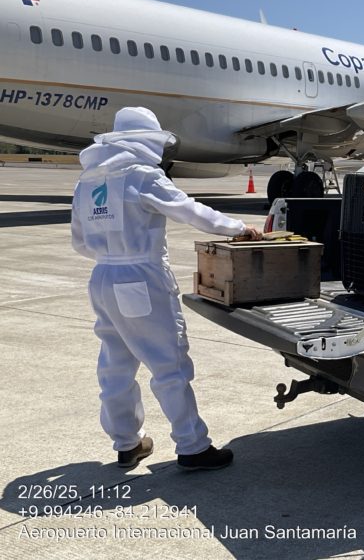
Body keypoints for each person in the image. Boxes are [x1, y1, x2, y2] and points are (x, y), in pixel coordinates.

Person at [71, 107, 261, 470]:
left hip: (102, 278)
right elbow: (189, 211)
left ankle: (127, 443)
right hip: (141, 277)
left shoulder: (88, 181)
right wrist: (237, 228)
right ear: (146, 139)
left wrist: (111, 254)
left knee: (115, 365)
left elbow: (79, 242)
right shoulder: (142, 176)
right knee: (168, 364)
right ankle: (193, 447)